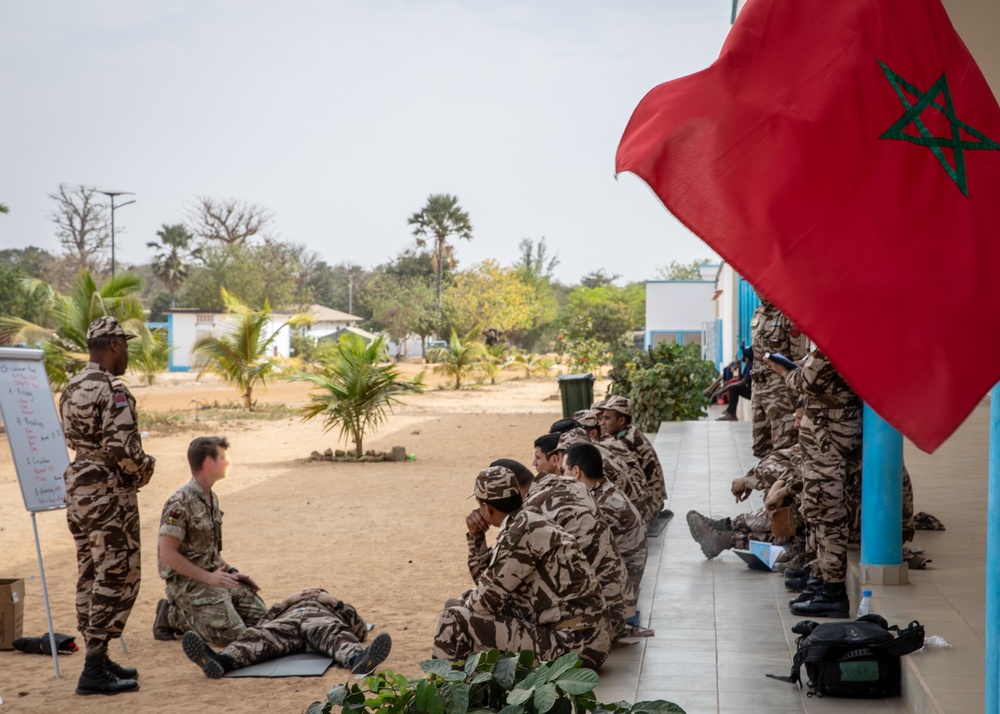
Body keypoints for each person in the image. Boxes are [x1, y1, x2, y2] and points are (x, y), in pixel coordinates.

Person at [60, 316, 156, 695]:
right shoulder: (113, 389)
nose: (128, 352)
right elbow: (123, 449)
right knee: (118, 572)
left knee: (90, 570)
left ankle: (97, 657)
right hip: (107, 492)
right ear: (114, 345)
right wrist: (146, 469)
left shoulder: (70, 388)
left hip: (78, 487)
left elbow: (74, 439)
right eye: (126, 344)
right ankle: (93, 669)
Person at [433, 466, 611, 669]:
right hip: (585, 637)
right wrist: (476, 537)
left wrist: (462, 608)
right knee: (460, 605)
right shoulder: (528, 519)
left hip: (575, 648)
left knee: (452, 620)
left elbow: (481, 605)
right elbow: (486, 584)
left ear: (486, 508)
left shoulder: (522, 533)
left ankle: (444, 686)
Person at [769, 349, 862, 618]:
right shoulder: (835, 337)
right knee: (816, 510)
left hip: (829, 439)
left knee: (825, 512)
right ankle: (820, 582)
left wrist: (785, 371)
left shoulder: (838, 336)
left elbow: (808, 382)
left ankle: (832, 592)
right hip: (825, 438)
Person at [154, 436, 267, 646]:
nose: (228, 462)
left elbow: (207, 551)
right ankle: (172, 616)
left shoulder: (211, 498)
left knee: (262, 621)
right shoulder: (179, 503)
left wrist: (231, 571)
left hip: (215, 576)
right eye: (222, 457)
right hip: (187, 583)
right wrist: (208, 578)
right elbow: (167, 554)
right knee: (234, 636)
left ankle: (208, 611)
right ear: (208, 463)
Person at [180, 588, 392, 678]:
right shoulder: (286, 608)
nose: (310, 592)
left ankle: (358, 659)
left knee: (336, 634)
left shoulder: (332, 607)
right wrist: (286, 603)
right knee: (258, 637)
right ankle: (221, 660)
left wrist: (334, 602)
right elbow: (262, 624)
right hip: (287, 623)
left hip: (320, 621)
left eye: (317, 590)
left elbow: (360, 630)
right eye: (305, 591)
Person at [561, 442, 647, 593]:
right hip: (625, 577)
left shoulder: (600, 505)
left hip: (620, 590)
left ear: (576, 471)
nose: (561, 476)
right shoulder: (605, 490)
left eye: (563, 470)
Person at [749, 298, 810, 457]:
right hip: (758, 387)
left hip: (781, 390)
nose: (755, 289)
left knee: (783, 445)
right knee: (760, 445)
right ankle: (764, 473)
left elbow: (800, 361)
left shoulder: (788, 313)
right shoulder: (758, 312)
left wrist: (800, 398)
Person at [597, 396, 668, 518]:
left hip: (651, 505)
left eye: (607, 418)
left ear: (621, 421)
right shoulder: (630, 433)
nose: (602, 423)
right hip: (654, 499)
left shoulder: (626, 442)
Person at [715, 346, 753, 421]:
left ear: (747, 357)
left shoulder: (751, 365)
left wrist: (725, 389)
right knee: (734, 388)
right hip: (749, 390)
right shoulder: (747, 365)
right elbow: (740, 379)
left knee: (734, 388)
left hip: (752, 392)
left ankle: (732, 414)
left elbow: (742, 382)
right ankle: (730, 412)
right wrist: (739, 368)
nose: (741, 357)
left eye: (743, 355)